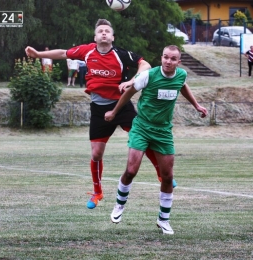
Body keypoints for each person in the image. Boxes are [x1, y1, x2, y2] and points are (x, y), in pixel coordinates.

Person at [25, 19, 176, 211]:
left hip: (121, 106)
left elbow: (144, 64)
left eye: (107, 31)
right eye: (100, 31)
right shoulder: (86, 51)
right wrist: (38, 54)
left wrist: (132, 80)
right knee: (96, 154)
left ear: (112, 37)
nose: (104, 33)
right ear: (95, 37)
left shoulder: (121, 54)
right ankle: (97, 192)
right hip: (98, 108)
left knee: (142, 139)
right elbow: (63, 53)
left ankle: (162, 175)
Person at [105, 45, 208, 234]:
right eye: (165, 57)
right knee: (131, 171)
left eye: (173, 59)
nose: (168, 61)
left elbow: (182, 86)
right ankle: (119, 205)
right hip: (142, 127)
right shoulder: (149, 75)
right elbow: (129, 92)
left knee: (168, 177)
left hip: (163, 132)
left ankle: (163, 220)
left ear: (178, 62)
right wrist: (114, 112)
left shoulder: (181, 75)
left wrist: (197, 105)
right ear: (161, 58)